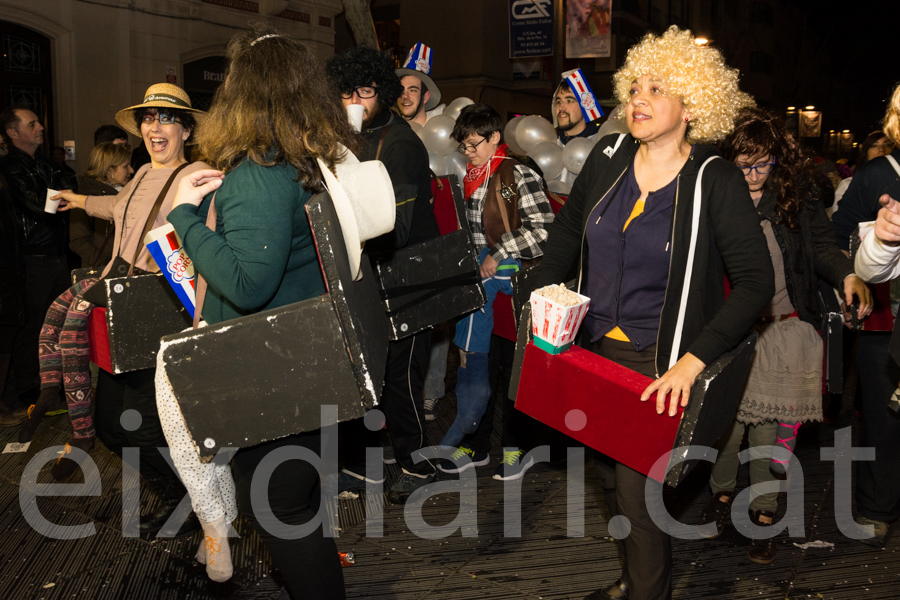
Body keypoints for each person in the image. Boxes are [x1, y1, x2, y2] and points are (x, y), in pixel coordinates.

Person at [531, 27, 773, 600]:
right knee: (615, 483)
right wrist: (539, 296)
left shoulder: (714, 180)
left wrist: (693, 362)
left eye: (657, 88)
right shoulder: (609, 155)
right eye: (634, 85)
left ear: (691, 105)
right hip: (591, 352)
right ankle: (633, 576)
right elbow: (567, 238)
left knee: (638, 495)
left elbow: (756, 283)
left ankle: (645, 589)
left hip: (659, 364)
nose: (638, 97)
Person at [165, 28, 355, 596]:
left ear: (243, 92)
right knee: (296, 502)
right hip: (309, 356)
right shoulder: (306, 161)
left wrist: (186, 218)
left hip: (275, 369)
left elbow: (247, 285)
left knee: (280, 505)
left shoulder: (260, 175)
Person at [697, 107, 871, 566]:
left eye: (763, 164)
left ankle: (763, 517)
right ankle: (720, 500)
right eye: (744, 164)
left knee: (768, 437)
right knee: (727, 434)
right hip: (729, 334)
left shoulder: (795, 198)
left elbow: (821, 249)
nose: (754, 175)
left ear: (777, 160)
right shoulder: (713, 195)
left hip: (782, 330)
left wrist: (848, 275)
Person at [50, 84, 207, 536]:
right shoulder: (139, 174)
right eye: (148, 118)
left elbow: (206, 241)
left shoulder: (196, 174)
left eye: (167, 118)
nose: (154, 127)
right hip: (122, 301)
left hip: (157, 308)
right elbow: (120, 209)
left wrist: (201, 316)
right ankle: (182, 499)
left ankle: (194, 505)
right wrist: (78, 200)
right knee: (109, 426)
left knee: (141, 426)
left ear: (187, 129)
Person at [326, 45, 441, 504]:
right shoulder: (346, 143)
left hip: (408, 280)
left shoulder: (400, 144)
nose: (355, 101)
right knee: (363, 375)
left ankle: (417, 464)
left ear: (384, 94)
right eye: (346, 92)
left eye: (367, 92)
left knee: (400, 377)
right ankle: (363, 466)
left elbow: (399, 225)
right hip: (369, 280)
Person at [439, 103, 555, 480]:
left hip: (516, 289)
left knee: (513, 373)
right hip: (485, 289)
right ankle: (477, 447)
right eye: (465, 146)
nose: (469, 152)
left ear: (495, 139)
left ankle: (513, 452)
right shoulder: (472, 176)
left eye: (475, 144)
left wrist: (499, 252)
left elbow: (545, 230)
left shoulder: (516, 173)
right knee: (482, 366)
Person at [834, 80, 900, 548]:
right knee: (883, 419)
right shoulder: (880, 175)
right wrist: (876, 239)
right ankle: (878, 507)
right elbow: (844, 237)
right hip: (886, 323)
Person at [0, 106, 74, 411]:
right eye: (33, 124)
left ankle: (52, 387)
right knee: (33, 327)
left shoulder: (46, 162)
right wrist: (56, 197)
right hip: (32, 259)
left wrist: (55, 196)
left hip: (58, 255)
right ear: (13, 133)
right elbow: (36, 204)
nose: (41, 127)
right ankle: (29, 390)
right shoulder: (10, 167)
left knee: (59, 326)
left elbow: (72, 188)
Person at [70, 142, 133, 268]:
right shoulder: (86, 197)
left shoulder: (129, 193)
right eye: (126, 166)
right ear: (110, 171)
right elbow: (78, 240)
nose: (131, 170)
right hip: (100, 273)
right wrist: (106, 266)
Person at [830, 130, 894, 218]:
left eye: (887, 145)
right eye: (874, 146)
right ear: (866, 152)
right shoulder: (848, 185)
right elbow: (841, 218)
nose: (881, 149)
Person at [396, 42, 443, 125]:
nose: (405, 96)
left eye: (412, 90)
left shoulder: (441, 128)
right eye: (401, 90)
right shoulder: (390, 132)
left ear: (425, 97)